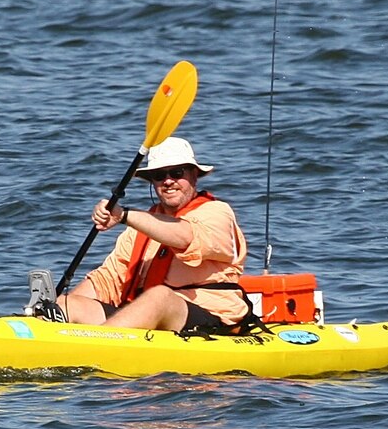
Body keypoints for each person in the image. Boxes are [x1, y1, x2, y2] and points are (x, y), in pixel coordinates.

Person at [58, 137, 250, 333]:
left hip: (213, 317)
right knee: (68, 304)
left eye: (177, 173)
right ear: (152, 182)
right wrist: (60, 307)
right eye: (159, 175)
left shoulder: (217, 212)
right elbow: (107, 281)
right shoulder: (139, 227)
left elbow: (186, 237)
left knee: (159, 296)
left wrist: (123, 215)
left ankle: (96, 346)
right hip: (147, 319)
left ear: (194, 175)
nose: (168, 181)